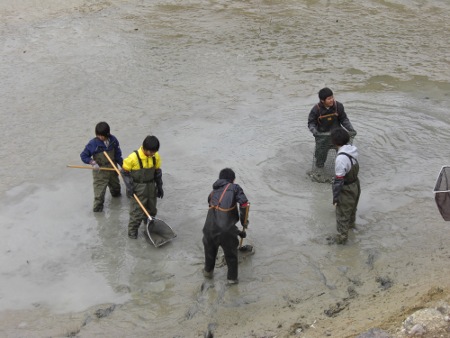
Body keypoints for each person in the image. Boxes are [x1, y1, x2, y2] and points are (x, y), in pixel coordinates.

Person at [202, 168, 250, 284]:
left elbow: (218, 219)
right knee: (231, 257)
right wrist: (244, 223)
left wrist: (238, 232)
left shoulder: (212, 194)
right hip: (226, 232)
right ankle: (232, 281)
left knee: (209, 256)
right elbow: (244, 204)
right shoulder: (235, 188)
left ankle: (208, 275)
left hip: (208, 230)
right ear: (232, 180)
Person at [121, 135, 164, 239]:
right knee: (136, 213)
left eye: (155, 152)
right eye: (151, 152)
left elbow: (157, 172)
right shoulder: (133, 158)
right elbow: (124, 172)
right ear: (145, 149)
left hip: (151, 187)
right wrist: (129, 188)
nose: (153, 154)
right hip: (137, 188)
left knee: (152, 210)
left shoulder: (155, 157)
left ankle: (148, 228)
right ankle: (132, 234)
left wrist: (159, 186)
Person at [308, 87, 357, 168]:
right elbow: (311, 123)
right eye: (329, 99)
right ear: (322, 100)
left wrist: (350, 129)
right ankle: (319, 171)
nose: (332, 100)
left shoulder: (338, 106)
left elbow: (344, 119)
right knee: (320, 158)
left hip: (337, 136)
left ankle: (343, 169)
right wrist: (315, 132)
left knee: (344, 155)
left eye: (332, 97)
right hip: (322, 137)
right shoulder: (316, 109)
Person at [80, 121, 123, 212]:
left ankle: (117, 209)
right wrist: (92, 162)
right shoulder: (93, 144)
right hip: (100, 171)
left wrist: (123, 166)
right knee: (99, 196)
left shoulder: (113, 141)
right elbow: (83, 156)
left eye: (102, 136)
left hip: (112, 169)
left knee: (116, 191)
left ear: (107, 134)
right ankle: (98, 216)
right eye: (98, 135)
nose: (100, 137)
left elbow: (118, 156)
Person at [330, 128, 361, 244]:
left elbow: (339, 181)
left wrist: (335, 198)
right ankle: (352, 228)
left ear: (334, 142)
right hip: (356, 185)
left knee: (342, 214)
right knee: (352, 209)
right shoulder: (352, 150)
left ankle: (342, 239)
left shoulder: (340, 158)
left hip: (347, 188)